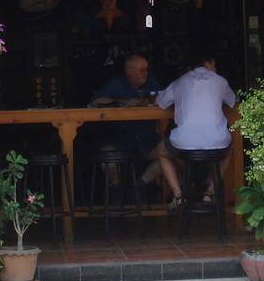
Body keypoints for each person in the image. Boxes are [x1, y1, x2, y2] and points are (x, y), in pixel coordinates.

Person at [154, 52, 237, 210]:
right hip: (217, 141)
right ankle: (209, 192)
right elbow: (232, 101)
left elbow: (161, 102)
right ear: (207, 64)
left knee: (161, 151)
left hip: (184, 142)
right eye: (214, 64)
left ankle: (179, 196)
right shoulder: (220, 81)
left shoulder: (180, 81)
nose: (215, 68)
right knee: (228, 151)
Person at [88, 54, 163, 189]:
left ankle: (138, 187)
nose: (146, 73)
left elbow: (162, 99)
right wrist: (124, 102)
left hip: (146, 138)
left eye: (146, 69)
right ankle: (118, 192)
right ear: (129, 71)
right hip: (118, 137)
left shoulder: (151, 82)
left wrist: (141, 103)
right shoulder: (116, 83)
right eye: (142, 70)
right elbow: (95, 101)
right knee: (108, 158)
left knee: (172, 154)